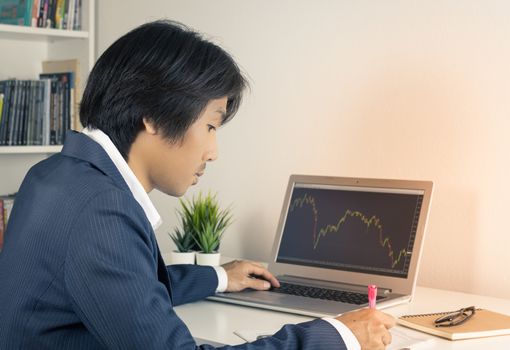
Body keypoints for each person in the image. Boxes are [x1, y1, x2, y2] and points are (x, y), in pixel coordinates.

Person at [0, 20, 395, 349]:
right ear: (152, 116)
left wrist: (221, 276)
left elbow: (125, 289)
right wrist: (341, 334)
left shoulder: (58, 174)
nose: (212, 151)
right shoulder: (101, 209)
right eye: (210, 125)